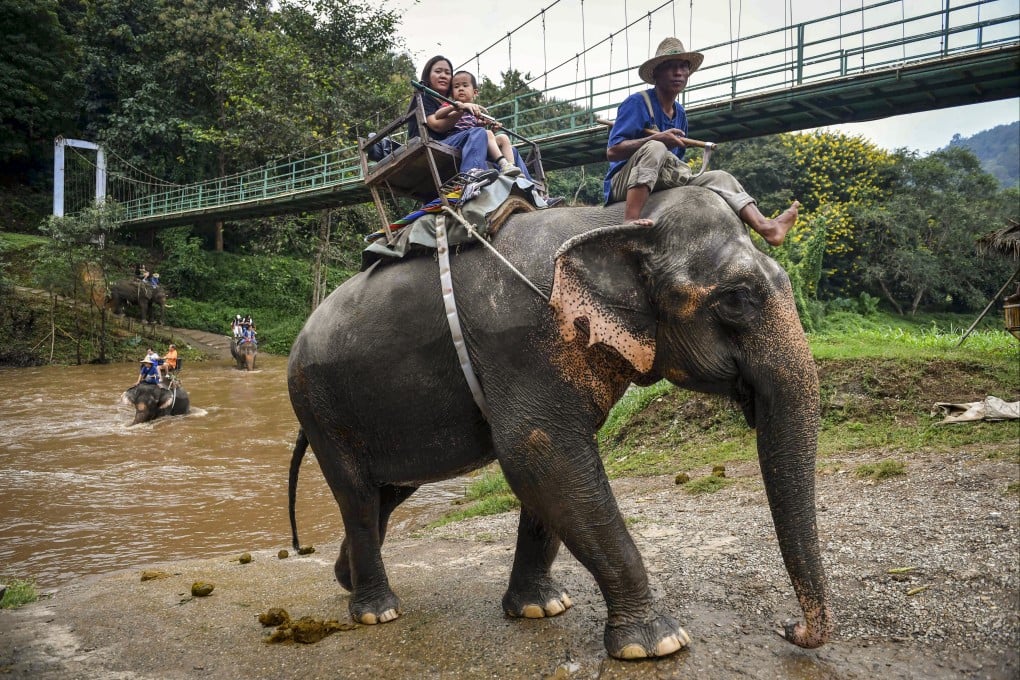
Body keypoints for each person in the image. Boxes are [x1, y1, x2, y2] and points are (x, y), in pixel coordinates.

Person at [605, 38, 799, 246]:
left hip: (662, 181)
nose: (678, 72)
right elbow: (613, 151)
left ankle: (766, 227)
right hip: (625, 182)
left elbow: (673, 162)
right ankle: (631, 219)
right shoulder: (637, 103)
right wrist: (656, 138)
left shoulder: (680, 113)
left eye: (682, 67)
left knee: (720, 178)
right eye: (670, 67)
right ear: (657, 74)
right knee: (656, 147)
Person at [435, 70, 531, 180]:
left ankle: (512, 169)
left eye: (465, 85)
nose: (460, 88)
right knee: (487, 133)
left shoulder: (475, 112)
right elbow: (438, 115)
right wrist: (454, 107)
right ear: (452, 93)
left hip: (473, 141)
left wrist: (487, 126)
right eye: (456, 87)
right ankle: (503, 164)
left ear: (475, 92)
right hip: (457, 138)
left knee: (503, 138)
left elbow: (477, 132)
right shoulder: (451, 104)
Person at [407, 56, 493, 177]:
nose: (443, 75)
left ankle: (523, 185)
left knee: (508, 149)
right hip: (431, 144)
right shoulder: (423, 97)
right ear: (428, 75)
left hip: (452, 142)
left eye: (447, 73)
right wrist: (462, 108)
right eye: (438, 71)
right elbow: (436, 126)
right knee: (477, 133)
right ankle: (469, 178)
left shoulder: (447, 103)